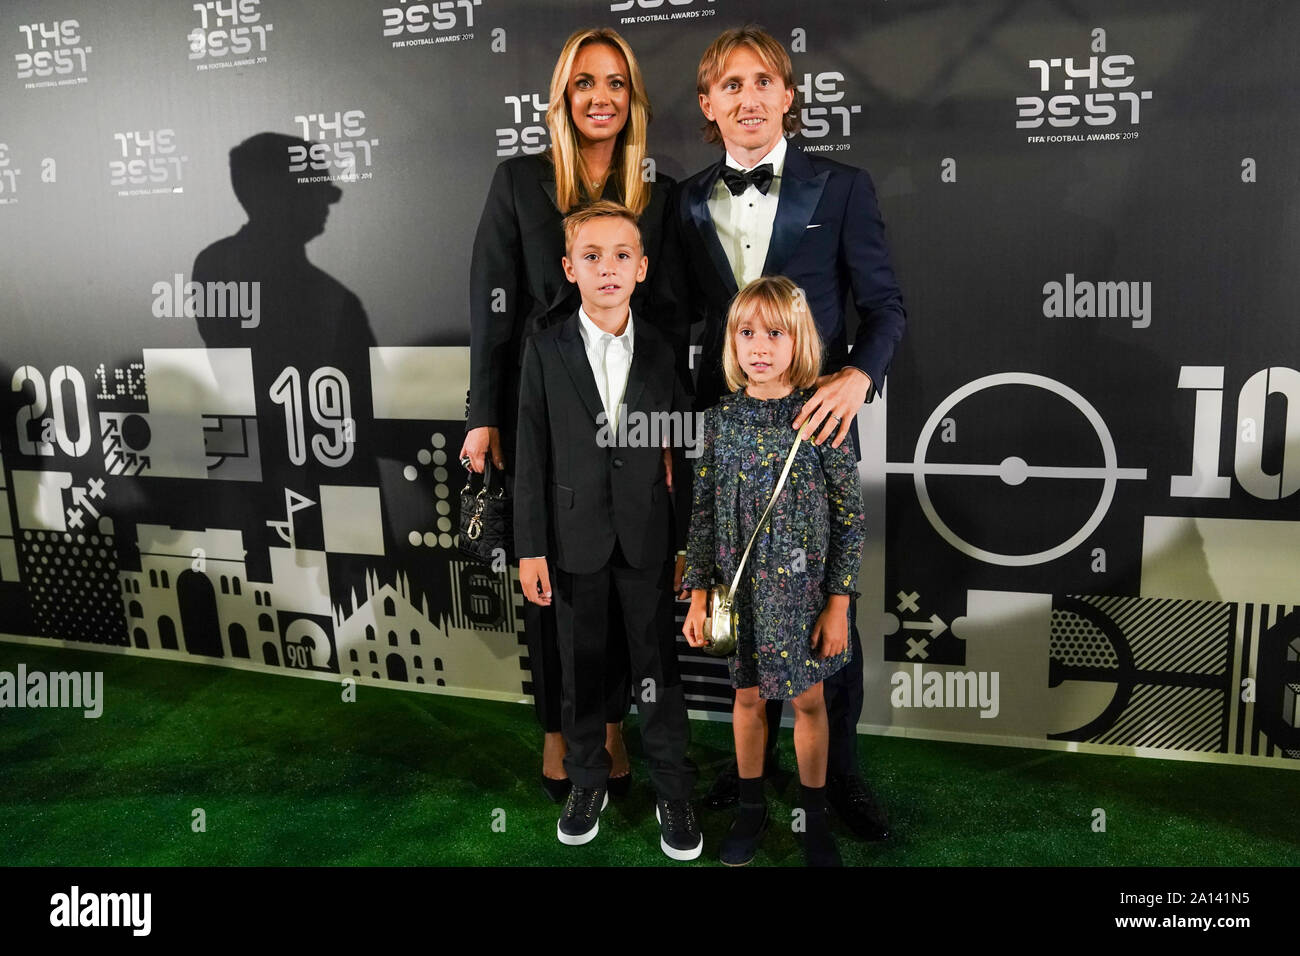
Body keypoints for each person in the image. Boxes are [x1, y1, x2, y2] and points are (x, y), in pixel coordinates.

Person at [672, 26, 906, 839]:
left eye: (763, 81)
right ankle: (748, 787)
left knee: (820, 615)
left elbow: (885, 306)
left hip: (816, 427)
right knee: (735, 598)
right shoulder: (684, 199)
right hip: (728, 435)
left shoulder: (841, 187)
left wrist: (856, 376)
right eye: (730, 85)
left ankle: (835, 778)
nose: (748, 97)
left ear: (788, 96)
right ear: (709, 104)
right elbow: (675, 320)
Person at [460, 28, 683, 801]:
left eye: (616, 83)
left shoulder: (658, 192)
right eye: (585, 83)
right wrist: (482, 414)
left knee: (627, 576)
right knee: (555, 578)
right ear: (562, 98)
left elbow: (671, 322)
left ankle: (614, 729)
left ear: (633, 99)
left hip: (630, 416)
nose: (601, 97)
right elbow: (492, 305)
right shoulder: (520, 181)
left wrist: (667, 435)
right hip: (543, 410)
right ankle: (559, 732)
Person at [514, 201, 699, 858]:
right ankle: (586, 778)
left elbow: (686, 451)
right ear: (570, 268)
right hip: (572, 541)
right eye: (591, 257)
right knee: (581, 668)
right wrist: (530, 546)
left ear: (643, 267)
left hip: (649, 539)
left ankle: (674, 790)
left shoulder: (662, 349)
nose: (607, 268)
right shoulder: (544, 349)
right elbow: (530, 457)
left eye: (622, 255)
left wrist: (689, 547)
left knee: (659, 672)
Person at [683, 276, 865, 867]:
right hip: (737, 599)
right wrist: (696, 597)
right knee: (746, 701)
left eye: (775, 333)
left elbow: (849, 520)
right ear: (731, 344)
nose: (759, 346)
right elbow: (704, 516)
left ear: (799, 341)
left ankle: (813, 817)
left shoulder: (821, 416)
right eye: (746, 333)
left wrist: (838, 603)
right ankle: (751, 807)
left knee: (810, 703)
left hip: (804, 600)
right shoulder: (718, 423)